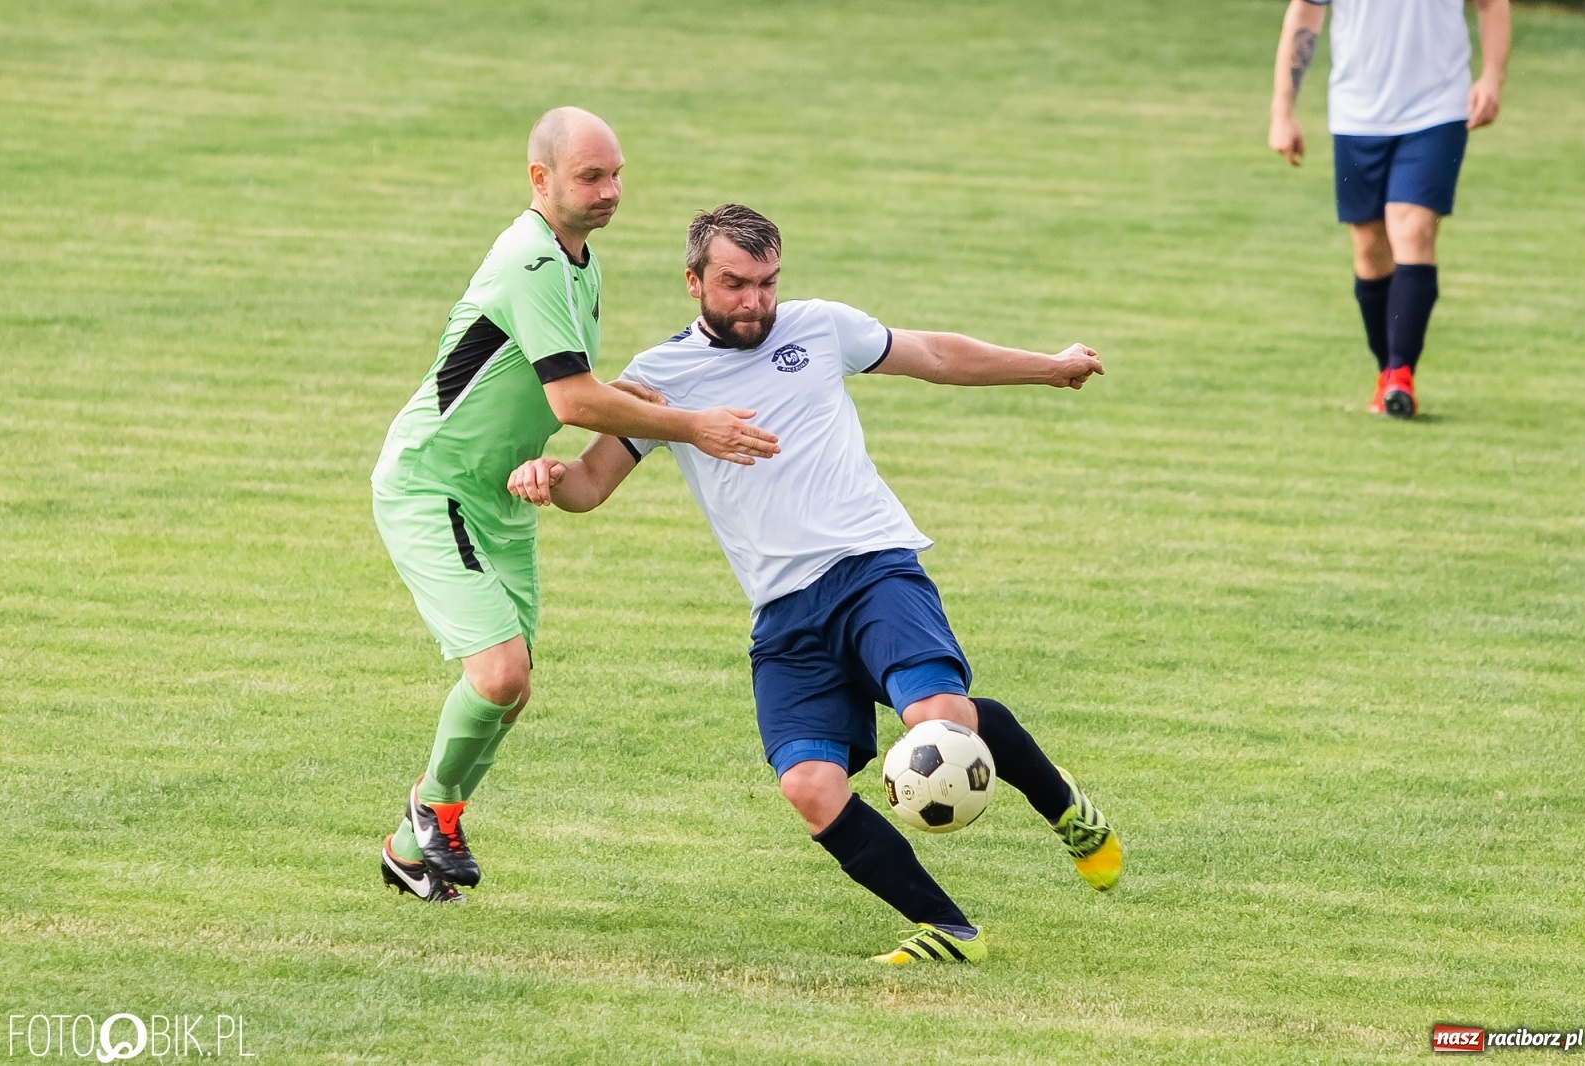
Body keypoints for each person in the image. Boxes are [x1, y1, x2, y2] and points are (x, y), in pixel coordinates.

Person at [509, 204, 1121, 962]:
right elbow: (592, 484)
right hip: (783, 615)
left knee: (938, 720)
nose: (754, 303)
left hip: (871, 568)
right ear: (693, 280)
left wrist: (1049, 364)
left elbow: (932, 353)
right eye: (735, 284)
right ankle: (953, 931)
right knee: (808, 786)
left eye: (767, 284)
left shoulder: (819, 327)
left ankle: (1065, 809)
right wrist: (550, 478)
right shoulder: (659, 378)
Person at [371, 113, 780, 903]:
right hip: (435, 485)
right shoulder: (529, 258)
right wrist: (693, 425)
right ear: (540, 180)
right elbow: (572, 399)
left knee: (512, 691)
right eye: (591, 177)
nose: (610, 191)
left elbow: (564, 379)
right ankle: (435, 810)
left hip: (499, 494)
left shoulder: (578, 261)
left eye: (616, 174)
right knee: (496, 675)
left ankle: (408, 846)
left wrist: (620, 390)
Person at [1268, 0, 1510, 417]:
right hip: (1356, 114)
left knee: (1413, 227)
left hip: (1438, 107)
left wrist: (1492, 76)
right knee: (1368, 244)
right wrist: (1282, 111)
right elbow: (1305, 15)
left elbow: (1492, 4)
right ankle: (1389, 375)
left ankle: (1401, 374)